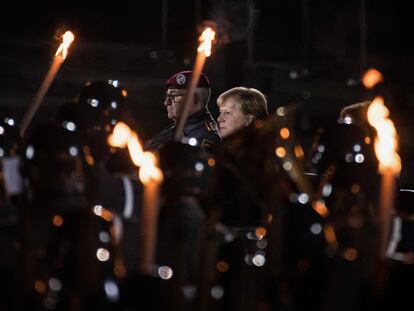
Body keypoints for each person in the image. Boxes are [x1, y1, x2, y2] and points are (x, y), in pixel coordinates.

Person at [144, 70, 221, 151]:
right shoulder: (176, 128)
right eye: (167, 96)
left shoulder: (206, 136)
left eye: (173, 96)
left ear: (195, 100)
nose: (166, 103)